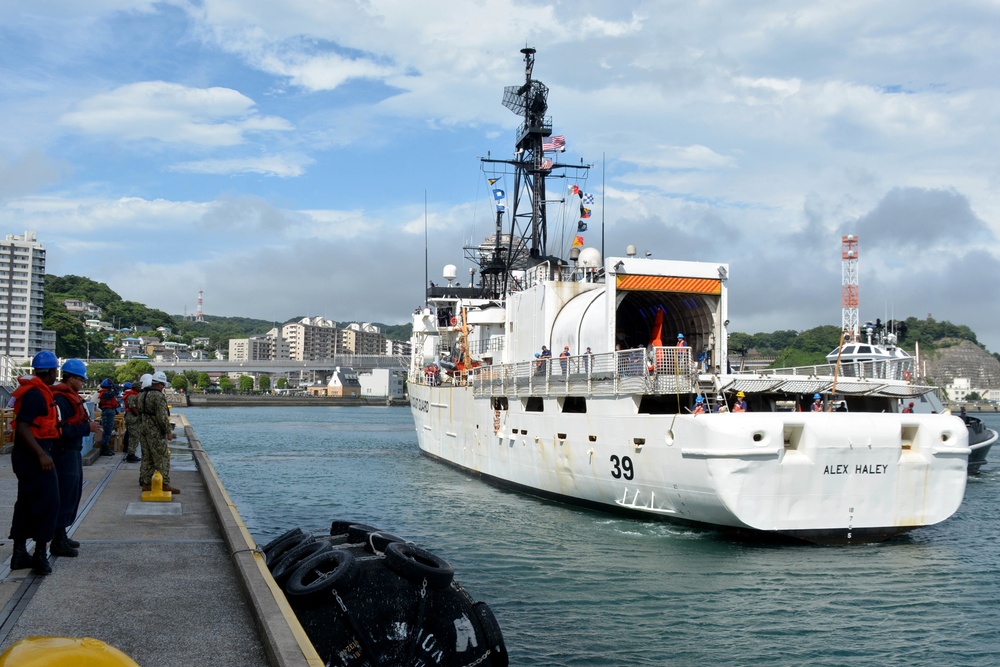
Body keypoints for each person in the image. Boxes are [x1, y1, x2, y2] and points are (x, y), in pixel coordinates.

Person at [8, 350, 61, 575]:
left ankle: (20, 554)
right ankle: (40, 555)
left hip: (27, 455)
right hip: (33, 456)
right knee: (49, 503)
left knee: (26, 502)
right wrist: (41, 454)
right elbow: (22, 426)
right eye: (55, 371)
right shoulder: (35, 395)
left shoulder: (37, 391)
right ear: (50, 371)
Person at [50, 358, 103, 558]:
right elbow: (61, 430)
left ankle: (62, 534)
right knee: (65, 495)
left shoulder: (68, 396)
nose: (82, 383)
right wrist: (86, 428)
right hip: (64, 453)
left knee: (72, 494)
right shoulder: (62, 400)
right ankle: (57, 540)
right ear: (71, 378)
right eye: (80, 380)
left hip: (72, 451)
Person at [137, 371, 179, 494]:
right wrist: (168, 431)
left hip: (143, 429)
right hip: (155, 431)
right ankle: (165, 484)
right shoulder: (158, 396)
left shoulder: (142, 395)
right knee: (162, 457)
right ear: (160, 384)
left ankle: (146, 483)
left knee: (147, 457)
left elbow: (139, 413)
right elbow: (162, 416)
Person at [97, 378, 119, 456]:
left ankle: (106, 447)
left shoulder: (105, 392)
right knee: (107, 431)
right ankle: (105, 448)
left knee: (108, 431)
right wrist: (114, 385)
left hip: (108, 411)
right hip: (108, 412)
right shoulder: (106, 393)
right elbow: (116, 392)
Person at [122, 380, 141, 462]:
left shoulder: (134, 395)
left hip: (132, 417)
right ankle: (131, 454)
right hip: (132, 417)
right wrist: (139, 416)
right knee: (134, 436)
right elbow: (132, 407)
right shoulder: (132, 396)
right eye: (139, 387)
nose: (140, 388)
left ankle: (131, 453)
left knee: (133, 436)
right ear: (135, 387)